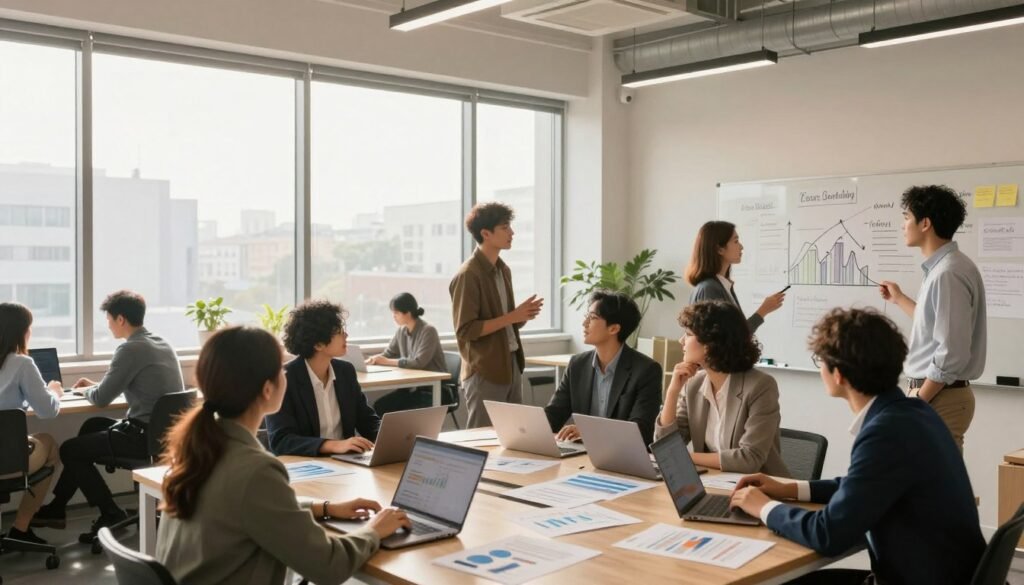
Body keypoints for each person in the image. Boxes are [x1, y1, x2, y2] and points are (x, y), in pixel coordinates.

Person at [730, 308, 985, 585]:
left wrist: (765, 508)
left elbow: (828, 535)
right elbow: (861, 485)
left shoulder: (885, 432)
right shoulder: (913, 412)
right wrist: (790, 489)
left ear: (838, 374)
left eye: (820, 361)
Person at [156, 326, 410, 585]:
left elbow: (250, 506)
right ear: (268, 389)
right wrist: (374, 531)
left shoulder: (199, 449)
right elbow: (329, 566)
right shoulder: (256, 470)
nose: (286, 374)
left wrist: (324, 508)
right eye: (282, 369)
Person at [33, 290, 184, 544]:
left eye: (109, 319)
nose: (108, 324)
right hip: (165, 437)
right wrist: (95, 386)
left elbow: (101, 398)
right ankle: (58, 507)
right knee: (91, 426)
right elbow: (116, 387)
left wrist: (85, 390)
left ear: (121, 319)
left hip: (142, 438)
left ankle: (110, 512)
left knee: (70, 450)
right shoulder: (161, 343)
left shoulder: (130, 349)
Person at [878, 185, 985, 452]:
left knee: (937, 487)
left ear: (925, 223)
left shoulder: (948, 273)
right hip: (935, 392)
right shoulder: (943, 268)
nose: (903, 225)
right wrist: (899, 298)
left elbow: (951, 351)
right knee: (928, 483)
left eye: (906, 217)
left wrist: (919, 399)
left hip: (939, 395)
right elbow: (934, 326)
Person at [653, 300, 788, 475]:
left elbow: (749, 459)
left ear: (710, 343)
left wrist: (685, 457)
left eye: (687, 334)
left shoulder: (760, 386)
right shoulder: (694, 384)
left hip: (760, 489)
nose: (681, 340)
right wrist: (672, 392)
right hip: (714, 482)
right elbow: (665, 445)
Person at [450, 202, 543, 427]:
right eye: (505, 227)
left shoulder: (503, 270)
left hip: (511, 363)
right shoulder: (468, 275)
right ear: (485, 233)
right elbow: (466, 330)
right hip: (485, 369)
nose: (512, 233)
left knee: (513, 437)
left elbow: (504, 323)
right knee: (481, 439)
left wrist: (520, 316)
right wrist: (512, 317)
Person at [543, 291, 663, 446]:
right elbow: (554, 414)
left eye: (592, 318)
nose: (584, 323)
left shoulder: (646, 370)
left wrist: (589, 433)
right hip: (582, 453)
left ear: (613, 329)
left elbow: (641, 430)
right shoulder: (577, 364)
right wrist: (526, 427)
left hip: (622, 456)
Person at [266, 300, 381, 456]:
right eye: (339, 331)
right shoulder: (283, 379)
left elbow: (367, 421)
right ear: (318, 344)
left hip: (347, 463)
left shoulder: (345, 372)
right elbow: (282, 441)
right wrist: (332, 446)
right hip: (307, 466)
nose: (346, 335)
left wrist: (393, 437)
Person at [0, 302, 62, 545]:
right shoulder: (22, 363)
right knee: (49, 444)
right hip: (5, 460)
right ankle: (20, 528)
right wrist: (54, 391)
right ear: (22, 331)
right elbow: (47, 412)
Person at [686, 220, 785, 333]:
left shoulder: (722, 285)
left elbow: (736, 334)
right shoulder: (709, 288)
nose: (741, 247)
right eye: (736, 241)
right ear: (719, 249)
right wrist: (763, 310)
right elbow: (730, 338)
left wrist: (764, 310)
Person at [367, 292, 447, 416]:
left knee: (393, 409)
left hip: (433, 390)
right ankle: (391, 436)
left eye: (396, 313)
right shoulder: (402, 330)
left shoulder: (428, 331)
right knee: (380, 406)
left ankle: (402, 435)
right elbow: (389, 353)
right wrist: (373, 360)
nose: (393, 316)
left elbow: (419, 362)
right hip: (411, 389)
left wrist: (386, 361)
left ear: (408, 313)